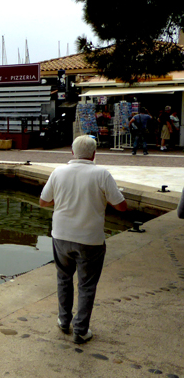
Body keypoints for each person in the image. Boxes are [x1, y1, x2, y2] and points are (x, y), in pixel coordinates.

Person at [39, 135, 127, 344]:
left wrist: (63, 201)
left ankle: (63, 320)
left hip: (61, 236)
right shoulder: (101, 174)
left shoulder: (58, 172)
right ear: (94, 154)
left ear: (72, 152)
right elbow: (122, 206)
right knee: (86, 285)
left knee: (64, 279)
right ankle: (80, 329)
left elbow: (43, 201)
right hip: (90, 239)